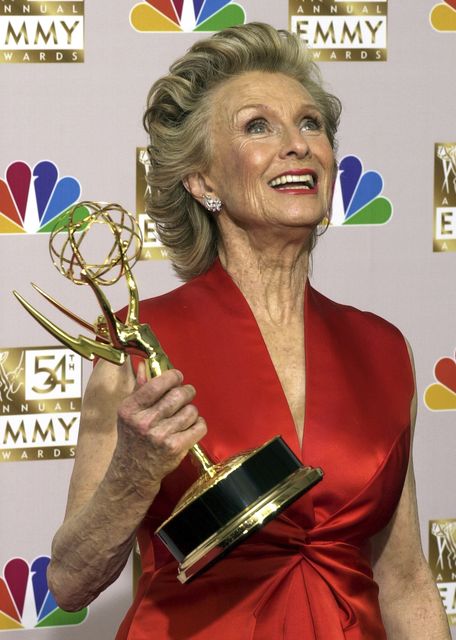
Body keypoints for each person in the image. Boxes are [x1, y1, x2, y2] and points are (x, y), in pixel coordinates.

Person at [47, 23, 450, 640]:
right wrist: (133, 469)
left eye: (311, 124)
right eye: (258, 126)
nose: (298, 145)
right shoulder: (138, 343)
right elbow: (70, 582)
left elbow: (403, 579)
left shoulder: (384, 348)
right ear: (202, 181)